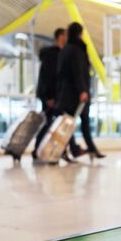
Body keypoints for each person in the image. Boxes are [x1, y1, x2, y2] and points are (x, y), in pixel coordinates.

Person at [57, 22, 105, 160]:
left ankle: (81, 149)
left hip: (66, 95)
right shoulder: (77, 49)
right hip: (77, 95)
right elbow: (78, 71)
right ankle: (85, 149)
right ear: (79, 34)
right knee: (80, 123)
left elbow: (60, 74)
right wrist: (83, 90)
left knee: (72, 124)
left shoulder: (65, 49)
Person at [32, 28, 76, 163]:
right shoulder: (52, 55)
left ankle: (62, 151)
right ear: (58, 37)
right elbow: (48, 77)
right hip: (50, 95)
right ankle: (38, 149)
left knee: (57, 122)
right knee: (50, 122)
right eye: (63, 36)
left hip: (57, 95)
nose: (65, 38)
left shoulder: (61, 53)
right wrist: (49, 96)